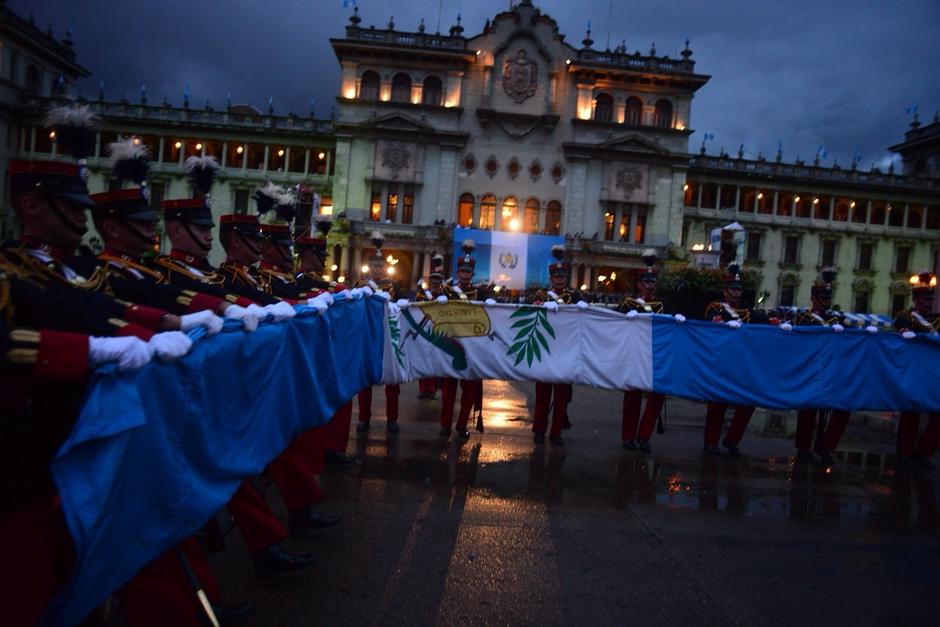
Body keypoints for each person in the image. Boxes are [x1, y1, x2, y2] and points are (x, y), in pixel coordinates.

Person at [295, 218, 357, 466]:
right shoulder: (299, 282)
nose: (324, 258)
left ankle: (332, 447)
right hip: (310, 351)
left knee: (340, 398)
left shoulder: (328, 285)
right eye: (319, 253)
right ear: (307, 254)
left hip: (332, 349)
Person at [794, 269, 850, 466]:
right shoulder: (804, 317)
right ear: (813, 298)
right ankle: (803, 448)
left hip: (831, 370)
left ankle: (825, 446)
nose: (826, 300)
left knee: (837, 410)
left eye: (828, 296)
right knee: (809, 410)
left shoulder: (837, 320)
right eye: (822, 296)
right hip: (811, 369)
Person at [619, 250, 669, 452]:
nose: (649, 286)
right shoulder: (628, 303)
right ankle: (628, 436)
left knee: (657, 395)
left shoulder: (661, 305)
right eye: (645, 282)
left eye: (652, 283)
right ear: (639, 284)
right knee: (633, 396)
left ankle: (644, 435)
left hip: (653, 355)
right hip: (633, 354)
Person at [528, 244, 579, 445]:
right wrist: (538, 306)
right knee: (542, 394)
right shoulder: (540, 295)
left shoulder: (575, 296)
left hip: (566, 352)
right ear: (551, 278)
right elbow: (527, 310)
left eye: (562, 277)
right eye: (556, 277)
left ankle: (556, 432)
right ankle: (539, 430)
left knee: (561, 397)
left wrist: (582, 308)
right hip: (544, 350)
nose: (559, 279)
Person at [703, 265, 755, 456]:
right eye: (733, 289)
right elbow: (711, 322)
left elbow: (762, 324)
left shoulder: (747, 312)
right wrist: (722, 323)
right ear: (725, 291)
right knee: (718, 404)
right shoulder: (715, 307)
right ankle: (711, 442)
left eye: (739, 289)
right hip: (721, 361)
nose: (737, 292)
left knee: (748, 402)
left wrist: (780, 324)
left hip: (742, 362)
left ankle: (733, 440)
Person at [354, 232, 401, 434]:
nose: (377, 269)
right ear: (369, 266)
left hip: (386, 334)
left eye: (380, 266)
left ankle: (392, 419)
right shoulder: (360, 285)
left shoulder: (390, 285)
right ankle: (364, 418)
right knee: (365, 379)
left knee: (392, 379)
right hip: (366, 335)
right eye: (374, 266)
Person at [894, 271, 940, 468]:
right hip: (913, 371)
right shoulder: (906, 316)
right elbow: (900, 324)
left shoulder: (937, 320)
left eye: (929, 299)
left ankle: (923, 453)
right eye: (923, 299)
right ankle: (904, 454)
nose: (926, 303)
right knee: (910, 414)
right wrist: (904, 330)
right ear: (915, 299)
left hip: (933, 374)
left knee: (937, 417)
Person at [439, 240, 483, 439]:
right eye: (462, 272)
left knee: (470, 391)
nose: (465, 275)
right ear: (458, 273)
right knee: (449, 390)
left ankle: (462, 424)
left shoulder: (480, 292)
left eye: (468, 273)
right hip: (451, 345)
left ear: (472, 274)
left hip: (473, 347)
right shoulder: (447, 291)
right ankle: (445, 424)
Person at [415, 252, 446, 399]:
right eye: (433, 278)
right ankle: (422, 389)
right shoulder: (422, 295)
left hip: (438, 331)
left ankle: (432, 389)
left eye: (438, 279)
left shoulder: (446, 296)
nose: (435, 281)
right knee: (423, 359)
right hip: (423, 330)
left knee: (434, 362)